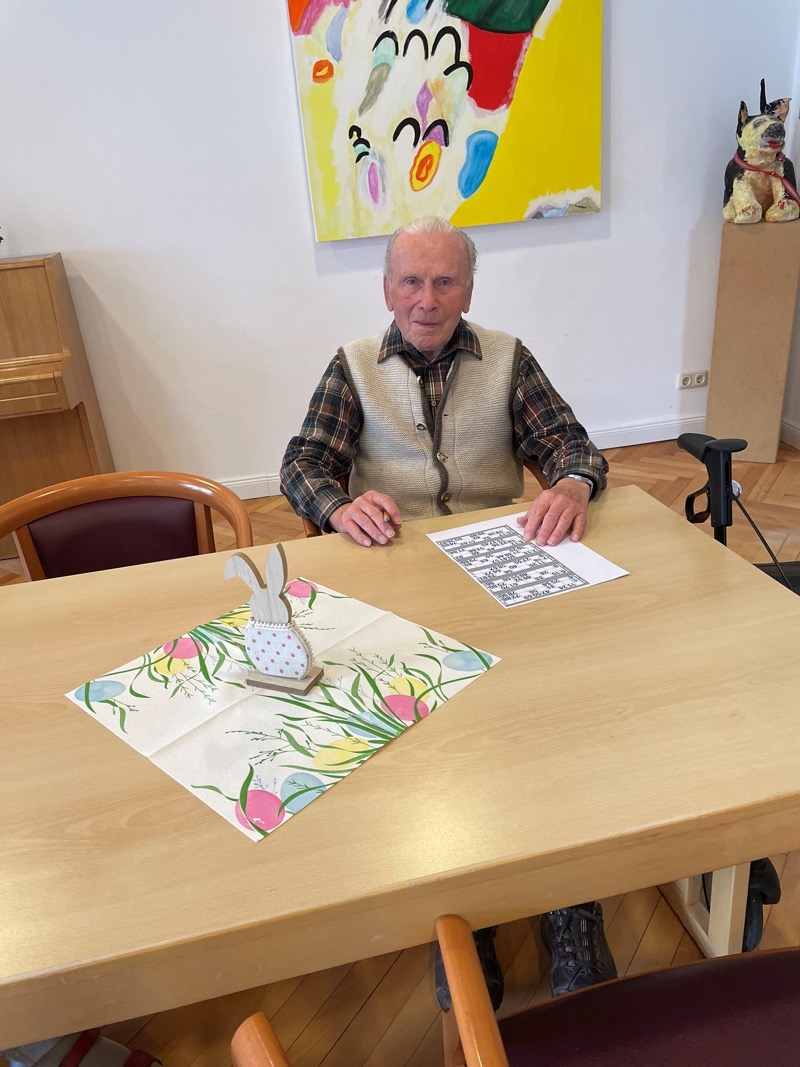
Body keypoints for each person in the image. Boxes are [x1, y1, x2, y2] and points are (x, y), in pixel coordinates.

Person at [280, 215, 615, 1002]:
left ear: (468, 288)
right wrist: (337, 507)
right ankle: (466, 915)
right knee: (433, 748)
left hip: (502, 563)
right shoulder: (353, 365)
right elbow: (303, 463)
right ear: (386, 288)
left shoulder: (507, 356)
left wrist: (572, 483)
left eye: (444, 281)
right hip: (399, 572)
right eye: (410, 280)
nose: (426, 299)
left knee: (547, 722)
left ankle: (571, 899)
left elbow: (570, 444)